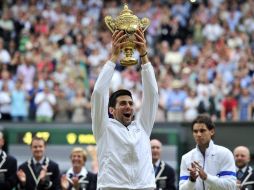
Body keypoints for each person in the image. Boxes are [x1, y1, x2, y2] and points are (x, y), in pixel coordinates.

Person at [91, 28, 159, 189]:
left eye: (130, 103)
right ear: (111, 110)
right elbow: (99, 93)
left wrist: (143, 55)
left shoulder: (142, 126)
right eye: (122, 103)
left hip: (145, 186)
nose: (128, 106)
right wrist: (114, 57)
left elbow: (152, 94)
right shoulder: (104, 127)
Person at [179, 114, 236, 189]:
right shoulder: (186, 158)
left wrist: (206, 177)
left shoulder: (225, 153)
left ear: (211, 131)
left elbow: (231, 186)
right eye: (195, 131)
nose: (198, 134)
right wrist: (191, 180)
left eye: (202, 130)